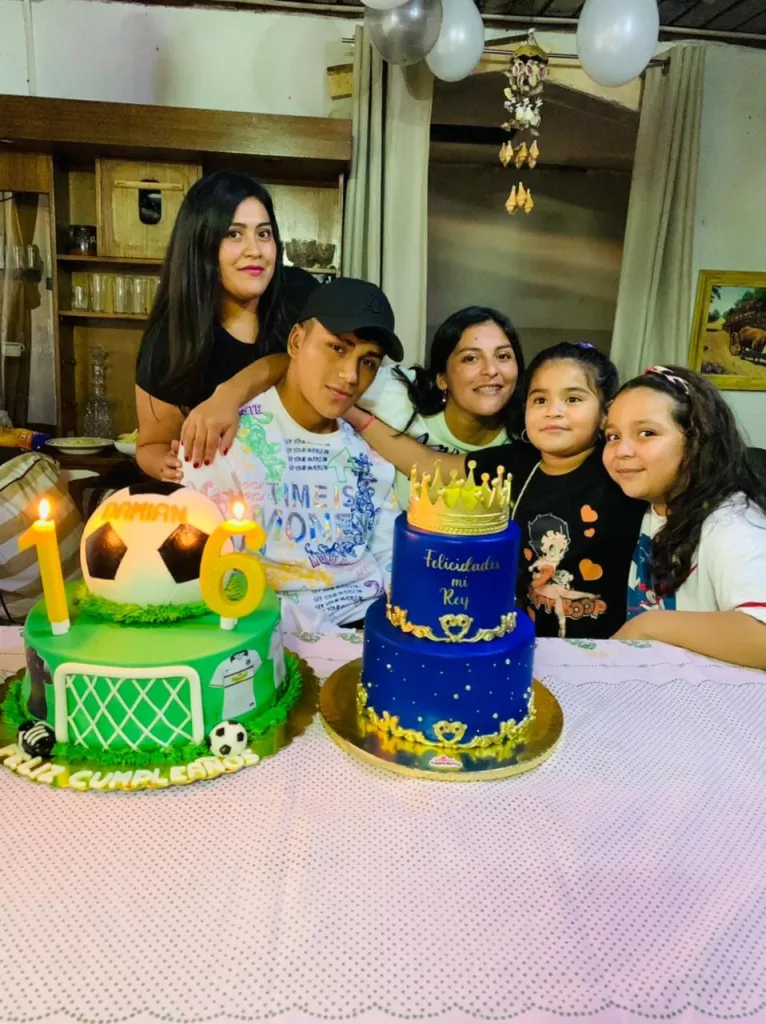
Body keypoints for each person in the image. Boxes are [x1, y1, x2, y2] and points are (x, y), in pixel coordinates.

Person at [347, 343, 645, 639]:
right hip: (528, 645)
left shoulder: (620, 469)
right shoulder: (517, 463)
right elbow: (428, 465)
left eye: (573, 399)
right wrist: (353, 414)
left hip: (607, 652)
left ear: (606, 412)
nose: (554, 411)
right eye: (540, 400)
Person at [181, 277, 403, 635]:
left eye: (369, 362)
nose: (350, 376)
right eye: (337, 348)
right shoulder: (225, 437)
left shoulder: (370, 449)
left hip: (367, 631)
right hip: (264, 633)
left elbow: (390, 557)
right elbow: (212, 572)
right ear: (297, 341)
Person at [135, 171, 319, 483]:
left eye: (264, 234)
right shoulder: (170, 342)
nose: (255, 250)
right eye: (234, 234)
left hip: (306, 487)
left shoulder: (299, 294)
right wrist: (166, 464)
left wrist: (229, 395)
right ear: (201, 244)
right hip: (222, 503)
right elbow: (150, 444)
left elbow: (320, 363)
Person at [603, 365, 766, 668]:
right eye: (612, 435)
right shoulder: (653, 506)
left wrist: (649, 626)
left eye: (646, 433)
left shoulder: (732, 524)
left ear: (697, 441)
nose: (621, 450)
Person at [354, 306, 524, 508]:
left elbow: (429, 464)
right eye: (470, 358)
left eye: (503, 356)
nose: (490, 370)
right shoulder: (396, 395)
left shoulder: (530, 436)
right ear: (442, 378)